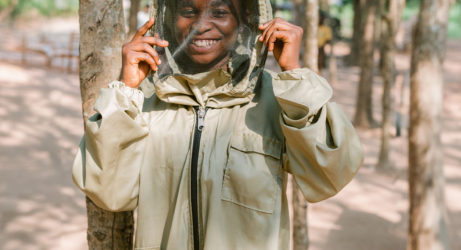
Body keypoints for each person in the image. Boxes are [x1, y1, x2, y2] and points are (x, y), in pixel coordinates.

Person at [72, 0, 363, 250]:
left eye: (220, 12)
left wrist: (293, 73)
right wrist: (126, 89)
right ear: (169, 19)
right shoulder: (144, 99)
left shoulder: (278, 98)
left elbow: (331, 174)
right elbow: (107, 191)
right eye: (187, 10)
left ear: (246, 21)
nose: (201, 25)